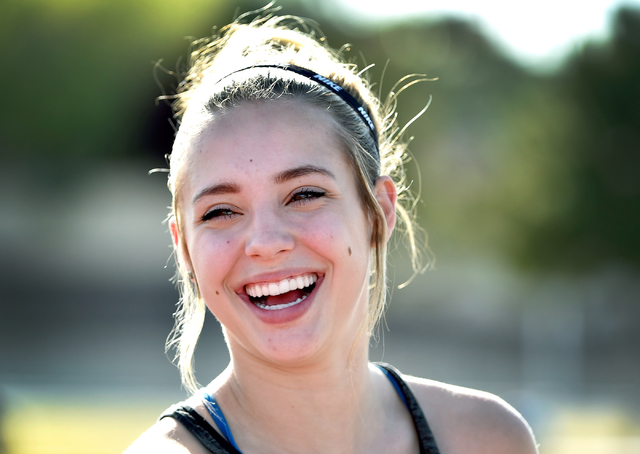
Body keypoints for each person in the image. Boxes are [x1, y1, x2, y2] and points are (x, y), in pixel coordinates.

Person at [126, 9, 538, 454]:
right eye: (221, 211)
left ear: (377, 212)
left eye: (304, 195)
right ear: (183, 247)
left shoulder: (487, 440)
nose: (265, 242)